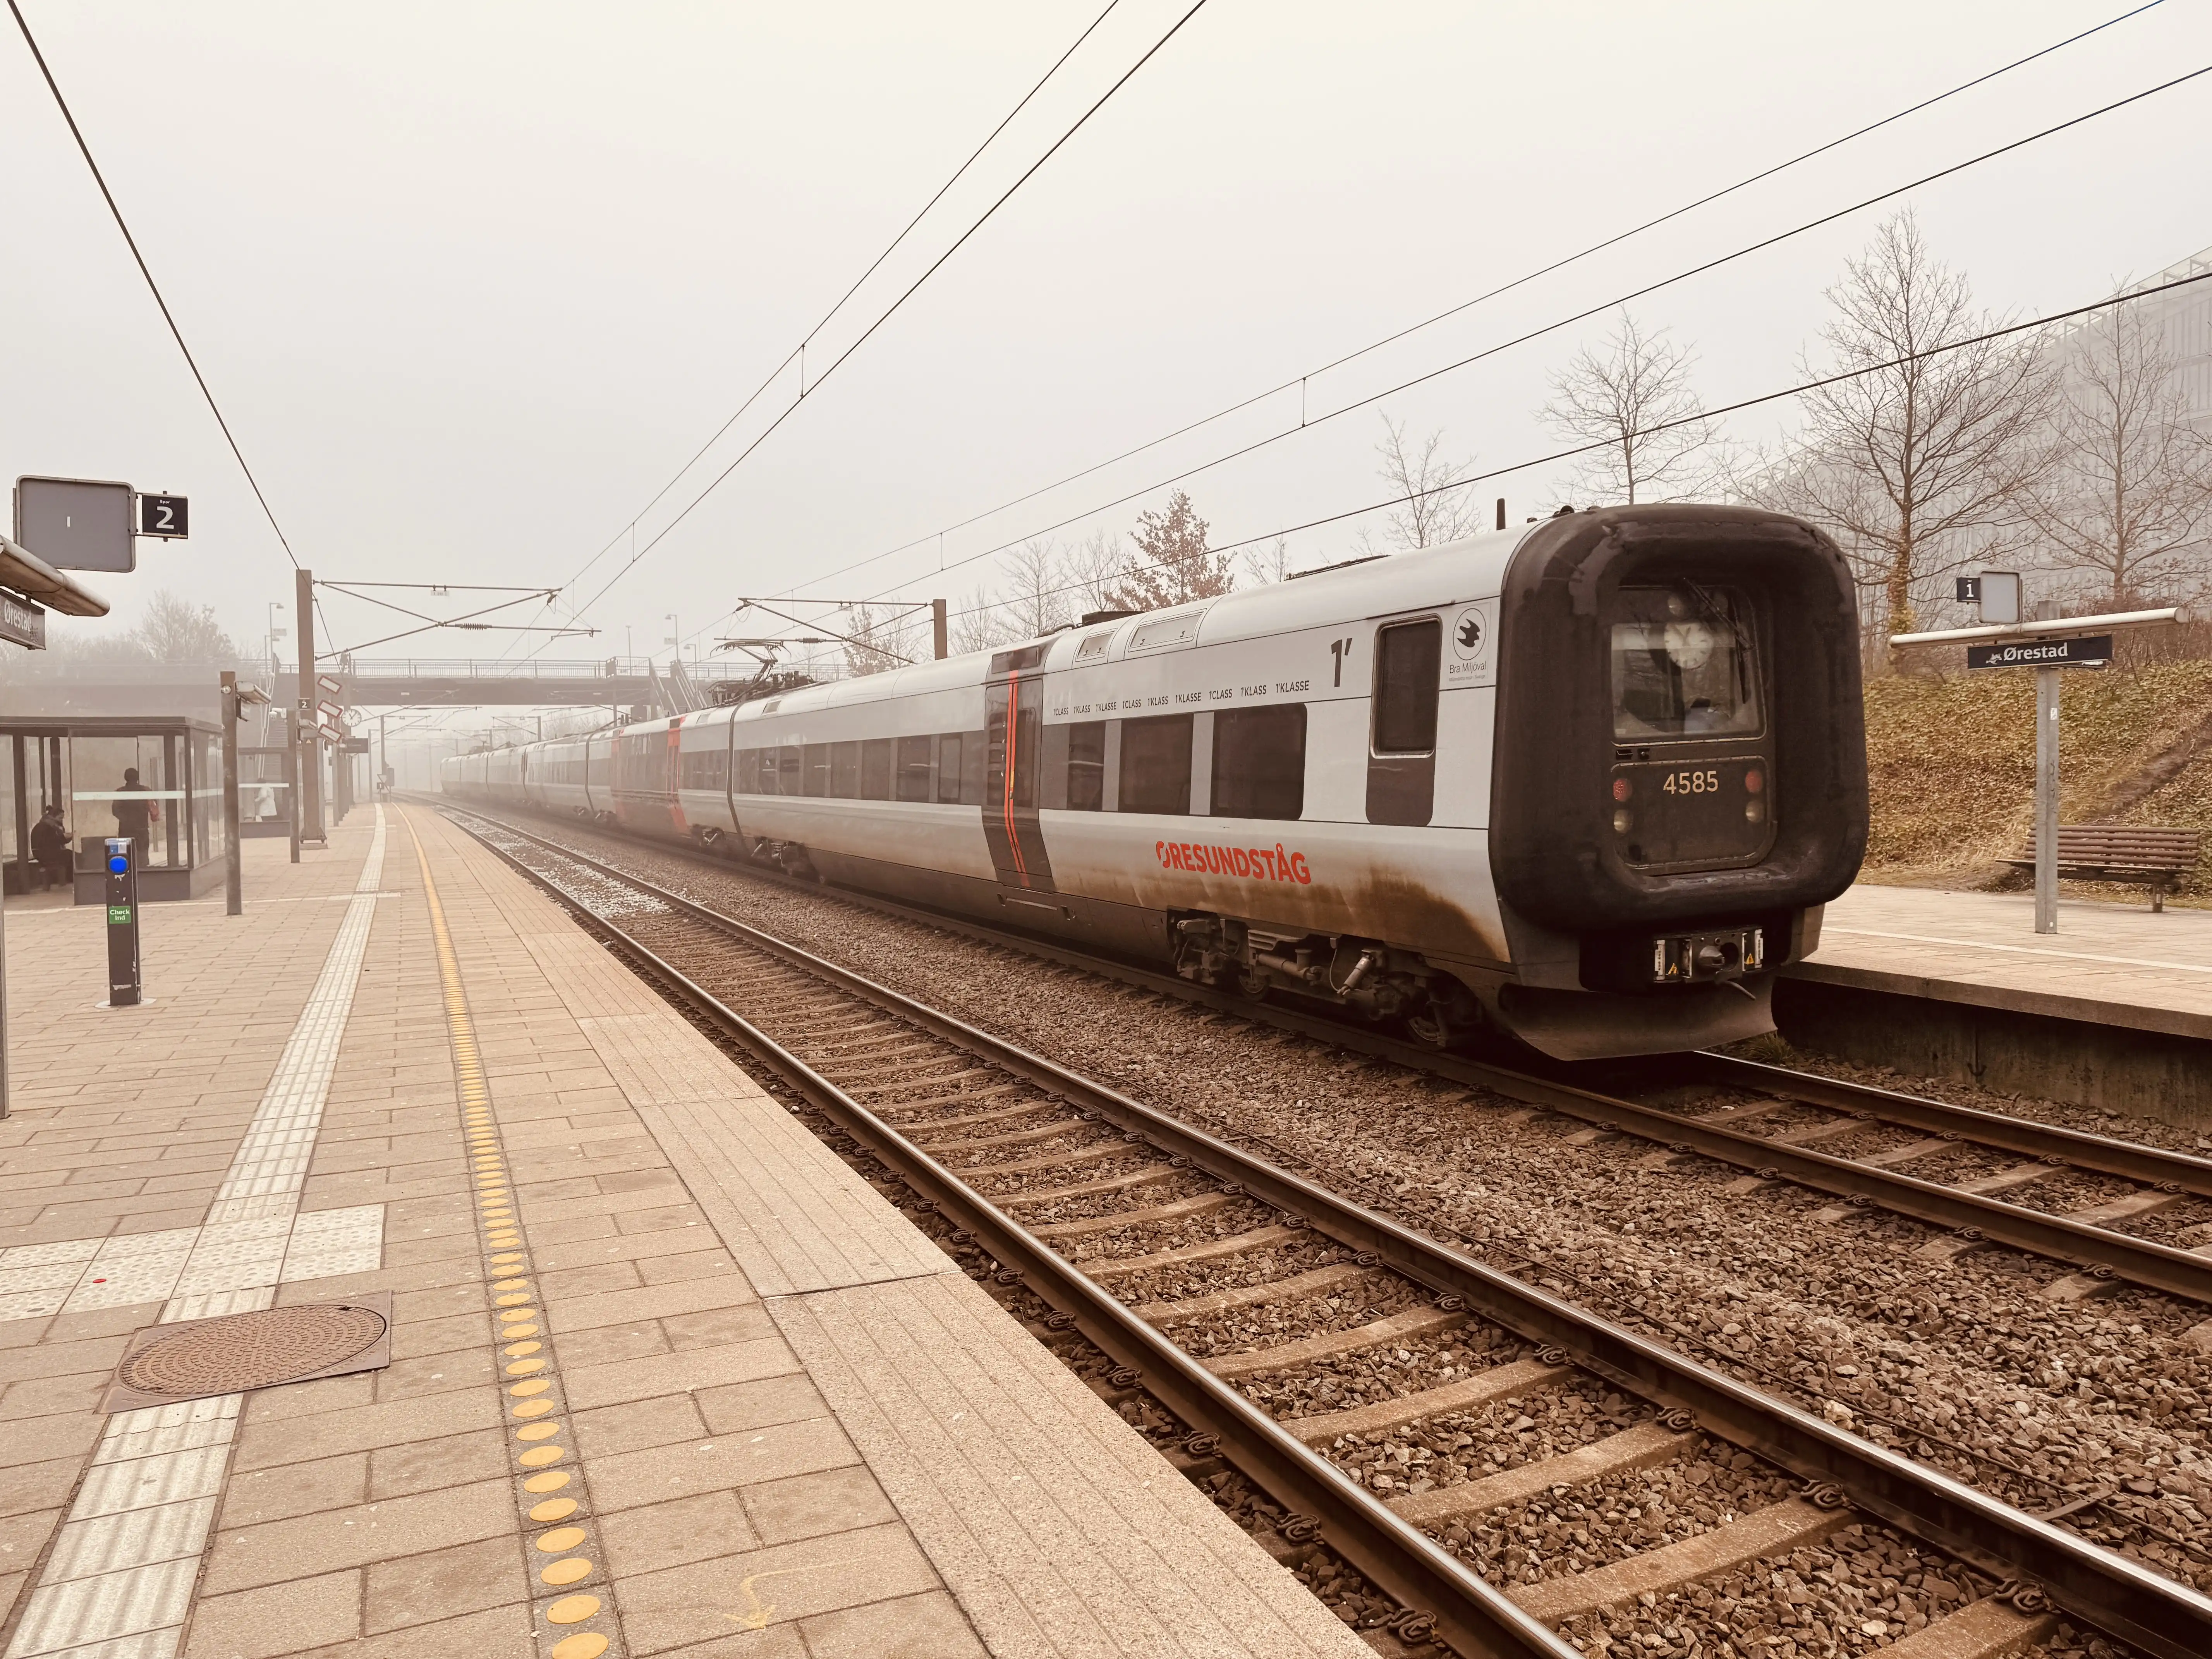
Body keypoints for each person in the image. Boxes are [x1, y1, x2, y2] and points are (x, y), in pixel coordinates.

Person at [113, 767, 156, 870]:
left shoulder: (120, 792)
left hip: (125, 830)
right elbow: (154, 810)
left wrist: (127, 821)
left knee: (125, 860)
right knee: (142, 860)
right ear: (137, 778)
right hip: (142, 829)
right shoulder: (146, 791)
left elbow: (115, 811)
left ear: (125, 778)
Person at [28, 805, 70, 892]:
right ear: (52, 818)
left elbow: (56, 841)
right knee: (70, 856)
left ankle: (61, 883)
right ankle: (64, 883)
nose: (61, 820)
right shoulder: (46, 827)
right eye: (60, 818)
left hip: (41, 852)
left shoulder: (44, 826)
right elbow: (55, 841)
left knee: (67, 855)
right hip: (45, 853)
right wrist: (65, 837)